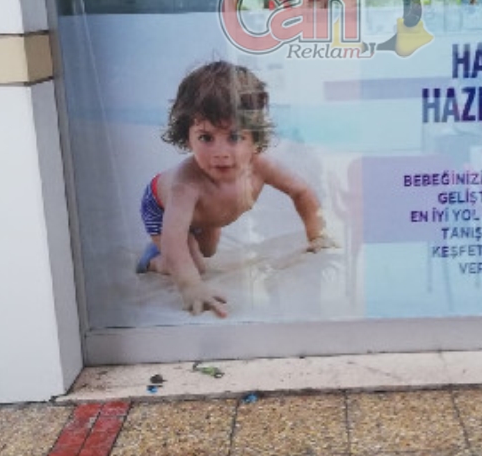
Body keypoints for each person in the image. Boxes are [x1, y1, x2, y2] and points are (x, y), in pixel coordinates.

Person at [137, 60, 334, 316]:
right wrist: (190, 287)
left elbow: (302, 191)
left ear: (255, 138)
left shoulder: (262, 167)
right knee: (195, 265)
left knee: (208, 250)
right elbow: (174, 239)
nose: (220, 153)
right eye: (206, 138)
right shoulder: (186, 184)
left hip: (207, 215)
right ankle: (152, 260)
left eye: (235, 137)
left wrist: (317, 235)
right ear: (187, 137)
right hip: (160, 207)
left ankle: (191, 237)